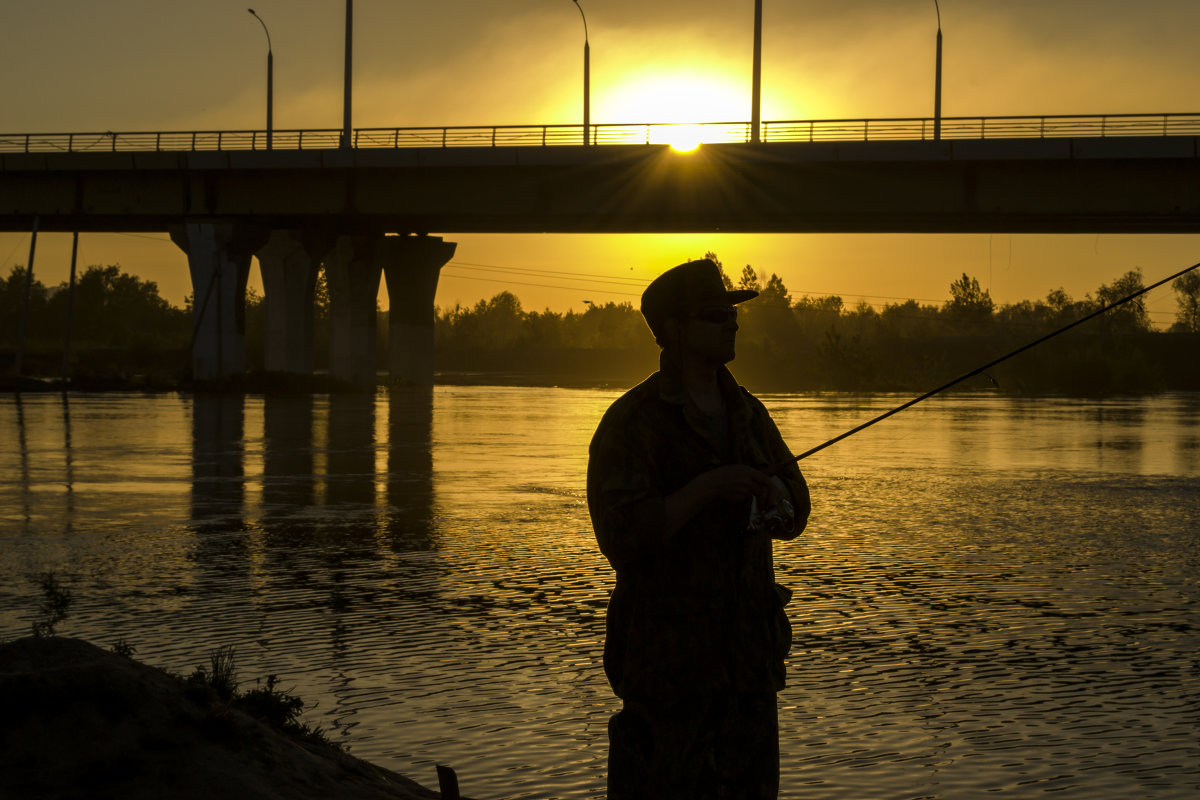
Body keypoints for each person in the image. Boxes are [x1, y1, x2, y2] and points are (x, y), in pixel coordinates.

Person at [587, 258, 811, 800]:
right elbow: (625, 538)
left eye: (731, 314)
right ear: (672, 330)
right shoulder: (631, 423)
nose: (730, 323)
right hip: (668, 678)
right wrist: (711, 487)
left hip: (749, 674)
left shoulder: (749, 413)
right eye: (714, 315)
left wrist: (772, 497)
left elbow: (797, 512)